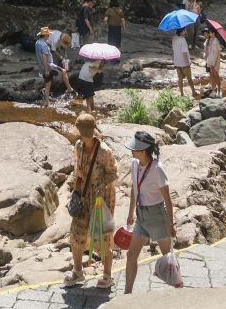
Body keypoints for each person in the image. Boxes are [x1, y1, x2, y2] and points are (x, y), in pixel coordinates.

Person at [65, 111, 117, 287]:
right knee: (76, 233)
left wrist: (102, 187)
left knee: (102, 236)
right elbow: (78, 171)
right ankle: (78, 272)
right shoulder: (78, 146)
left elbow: (113, 174)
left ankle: (107, 275)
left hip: (100, 200)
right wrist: (76, 190)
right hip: (83, 197)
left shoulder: (104, 151)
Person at [123, 131, 174, 295]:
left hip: (157, 216)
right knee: (131, 255)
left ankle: (179, 290)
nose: (132, 151)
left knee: (168, 258)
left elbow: (168, 200)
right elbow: (134, 187)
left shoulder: (158, 169)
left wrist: (170, 224)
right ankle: (127, 294)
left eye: (135, 149)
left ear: (144, 151)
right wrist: (131, 212)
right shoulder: (135, 164)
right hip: (142, 216)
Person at [171, 28, 198, 99]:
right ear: (182, 31)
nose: (186, 31)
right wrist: (187, 62)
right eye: (185, 29)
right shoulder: (182, 40)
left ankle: (182, 94)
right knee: (189, 79)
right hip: (184, 63)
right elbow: (184, 52)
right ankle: (193, 92)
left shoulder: (174, 38)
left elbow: (173, 49)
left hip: (177, 62)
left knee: (180, 79)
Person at [203, 25, 223, 96]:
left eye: (210, 33)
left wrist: (212, 63)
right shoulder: (211, 40)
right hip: (210, 60)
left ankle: (219, 90)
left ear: (213, 33)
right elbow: (209, 51)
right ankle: (214, 89)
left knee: (216, 75)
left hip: (215, 61)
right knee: (212, 75)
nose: (209, 34)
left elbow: (216, 54)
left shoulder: (215, 41)